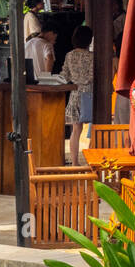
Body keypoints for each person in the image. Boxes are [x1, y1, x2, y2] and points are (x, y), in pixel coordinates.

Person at [59, 24, 93, 166]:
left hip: (74, 94)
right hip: (89, 94)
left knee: (75, 129)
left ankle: (74, 162)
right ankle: (93, 161)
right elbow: (92, 75)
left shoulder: (69, 55)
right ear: (89, 40)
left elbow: (64, 75)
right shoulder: (92, 57)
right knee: (95, 128)